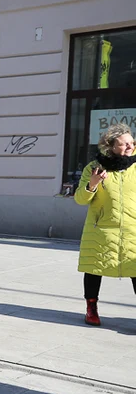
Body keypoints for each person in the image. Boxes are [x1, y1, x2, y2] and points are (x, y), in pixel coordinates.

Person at [75, 123, 136, 326]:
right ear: (110, 146)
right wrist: (92, 184)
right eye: (124, 143)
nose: (130, 146)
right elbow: (80, 199)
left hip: (132, 229)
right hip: (101, 229)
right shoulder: (94, 168)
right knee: (94, 269)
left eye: (131, 142)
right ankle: (91, 308)